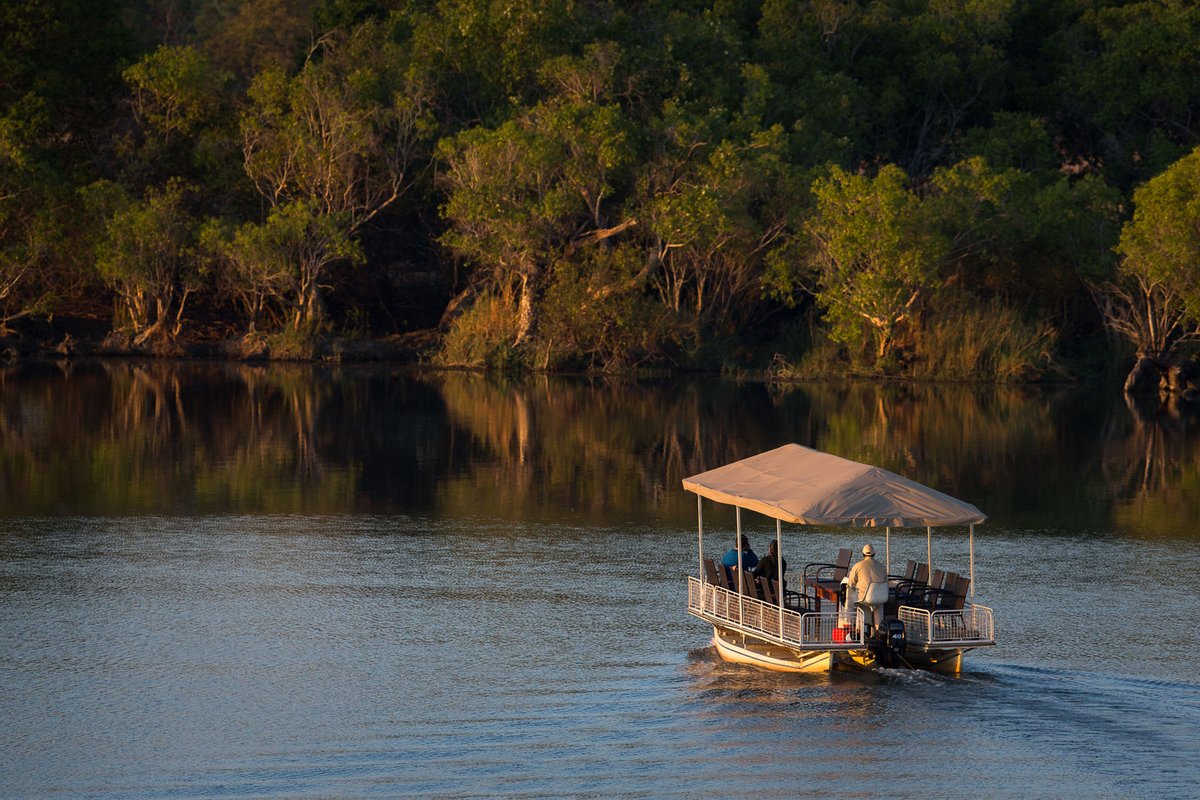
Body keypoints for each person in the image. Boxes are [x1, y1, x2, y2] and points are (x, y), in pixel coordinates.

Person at [845, 543, 888, 632]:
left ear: (863, 554)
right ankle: (879, 630)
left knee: (850, 601)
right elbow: (886, 583)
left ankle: (849, 626)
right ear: (874, 554)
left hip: (864, 598)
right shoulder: (883, 567)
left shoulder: (858, 566)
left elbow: (851, 583)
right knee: (879, 606)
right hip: (880, 598)